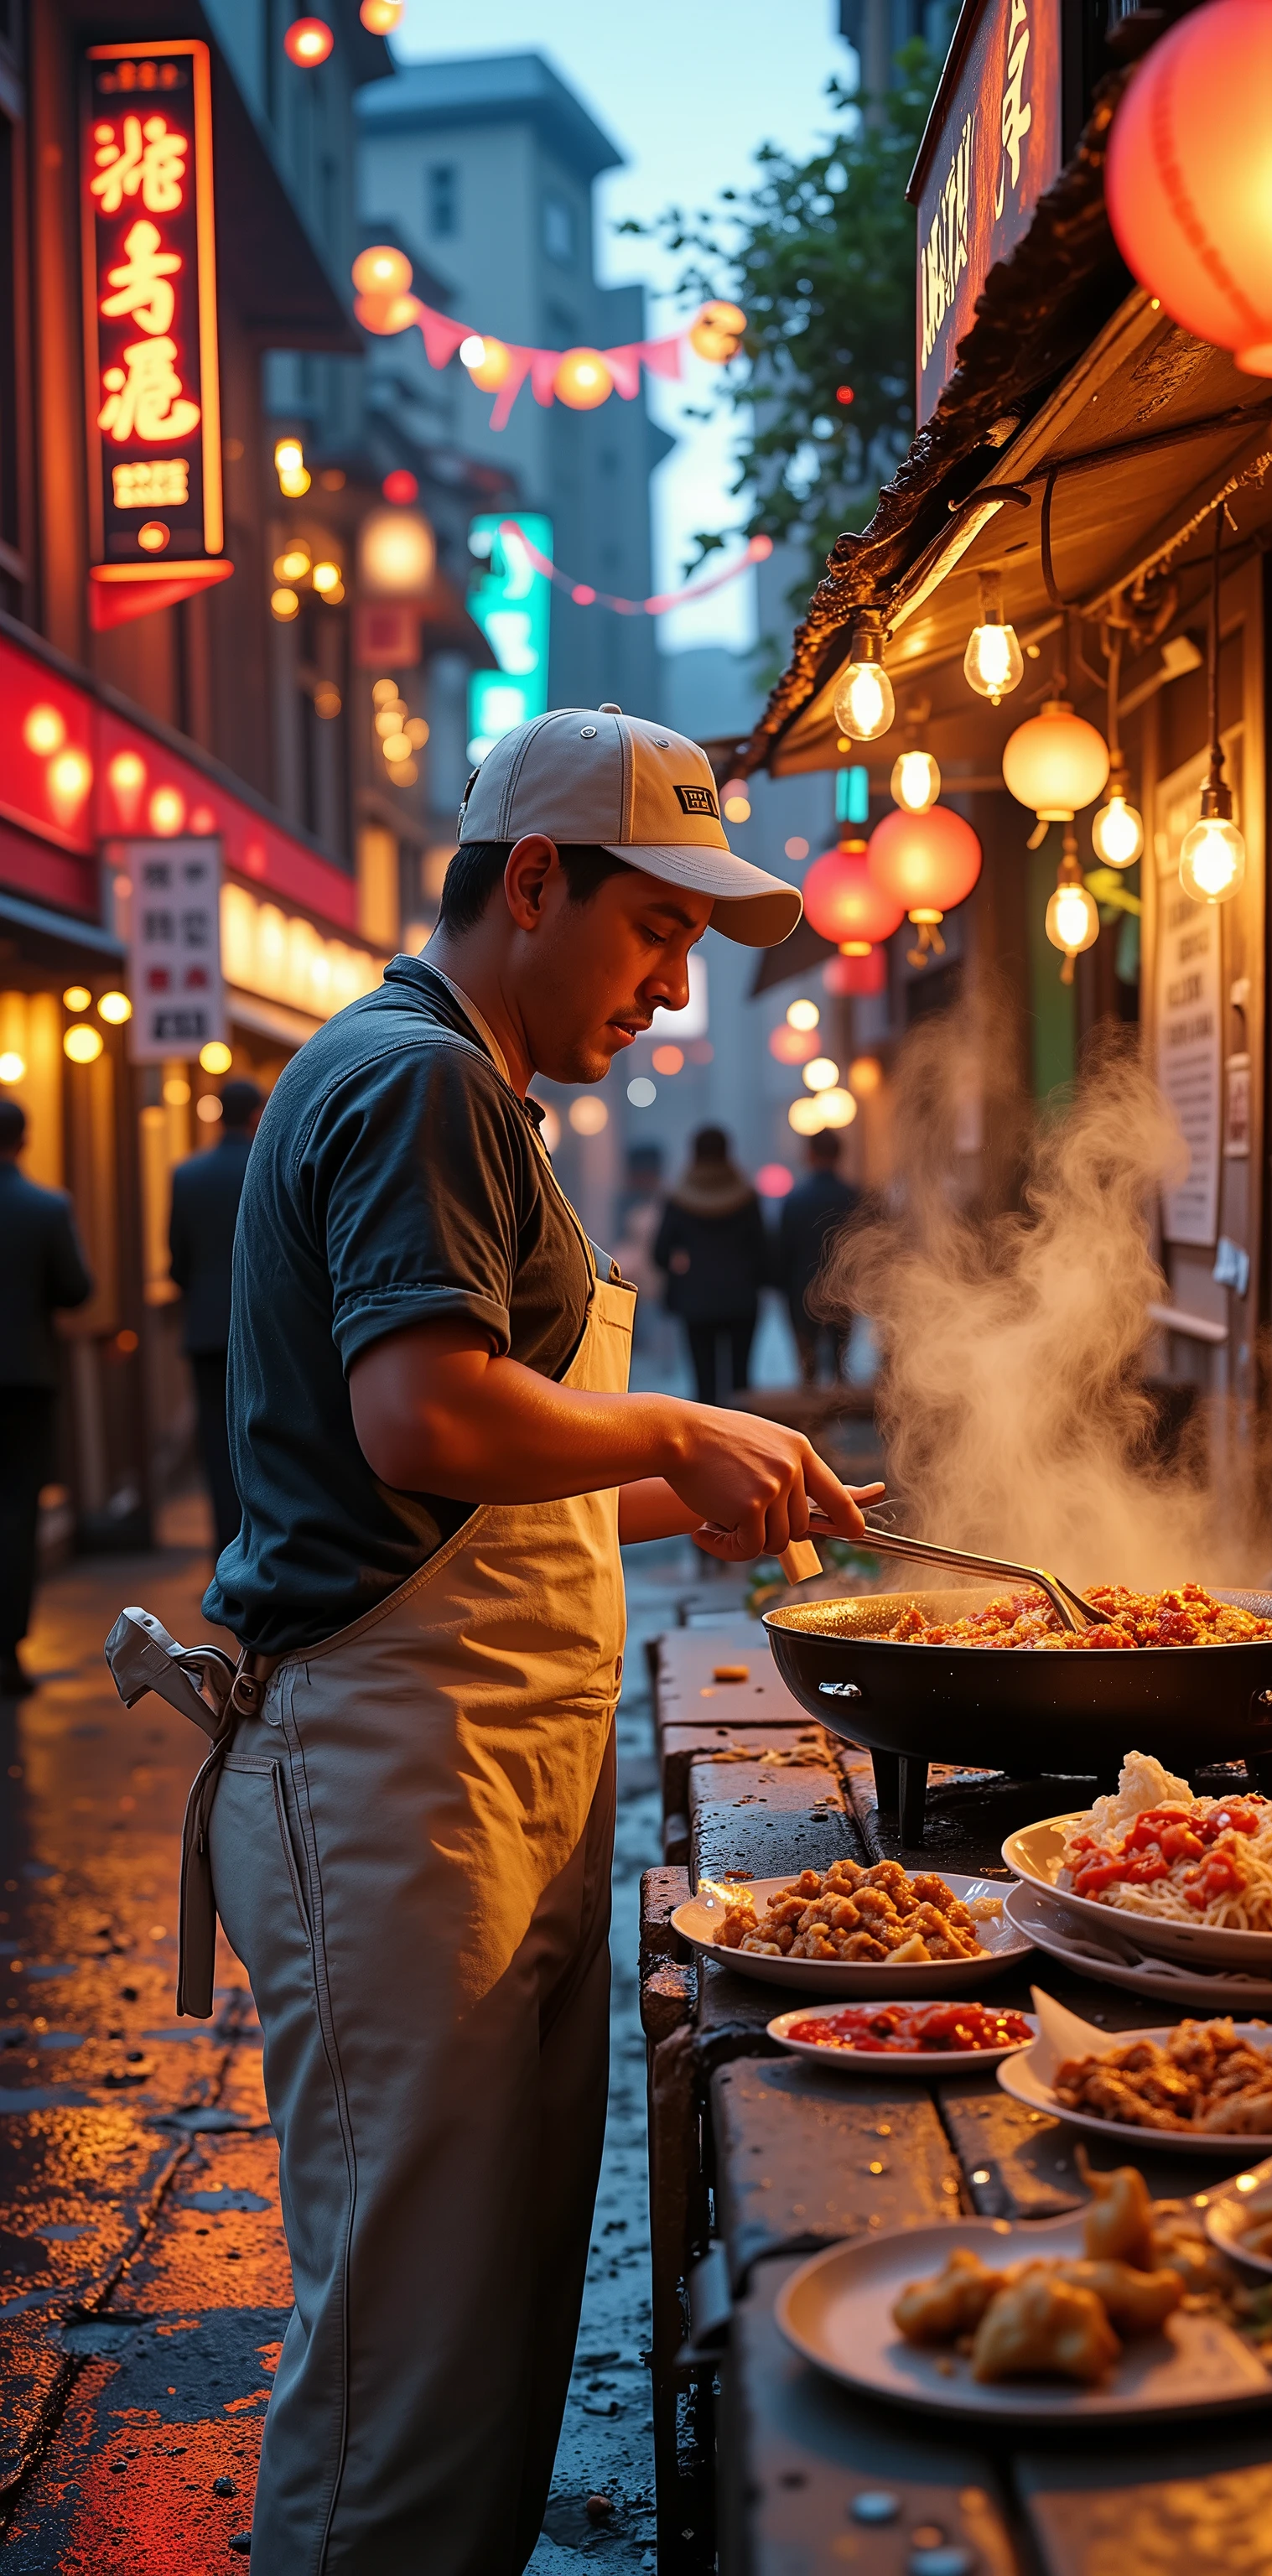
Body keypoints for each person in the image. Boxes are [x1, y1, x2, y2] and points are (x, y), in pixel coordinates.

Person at [193, 706, 879, 2574]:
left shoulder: (466, 1087)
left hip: (472, 1772)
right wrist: (675, 1426)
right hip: (388, 1782)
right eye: (654, 931)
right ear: (529, 881)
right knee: (403, 2381)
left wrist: (743, 1483)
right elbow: (424, 1417)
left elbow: (501, 1480)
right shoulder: (422, 1081)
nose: (668, 989)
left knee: (485, 2332)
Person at [0, 1098, 91, 1696]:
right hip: (25, 1378)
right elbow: (77, 1287)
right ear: (25, 1139)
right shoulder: (44, 1207)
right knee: (15, 1511)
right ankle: (7, 1651)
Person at [169, 1076, 265, 1557]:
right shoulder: (266, 1164)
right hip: (266, 1328)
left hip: (206, 1329)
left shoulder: (187, 1175)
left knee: (214, 1438)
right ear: (256, 1115)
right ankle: (262, 1542)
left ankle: (224, 1548)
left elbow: (177, 1263)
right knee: (264, 1432)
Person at [652, 1125, 770, 1403]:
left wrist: (681, 1266)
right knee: (741, 1381)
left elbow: (659, 1253)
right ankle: (741, 1439)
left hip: (696, 1302)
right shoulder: (746, 1197)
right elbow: (763, 1251)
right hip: (741, 1300)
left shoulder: (680, 1198)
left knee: (704, 1382)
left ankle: (708, 1443)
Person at [776, 1130, 860, 1384]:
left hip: (803, 1288)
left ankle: (809, 1419)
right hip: (843, 1287)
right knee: (840, 1362)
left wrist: (783, 1288)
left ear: (810, 1155)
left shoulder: (796, 1200)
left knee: (807, 1365)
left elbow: (783, 1251)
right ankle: (840, 1413)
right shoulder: (854, 1198)